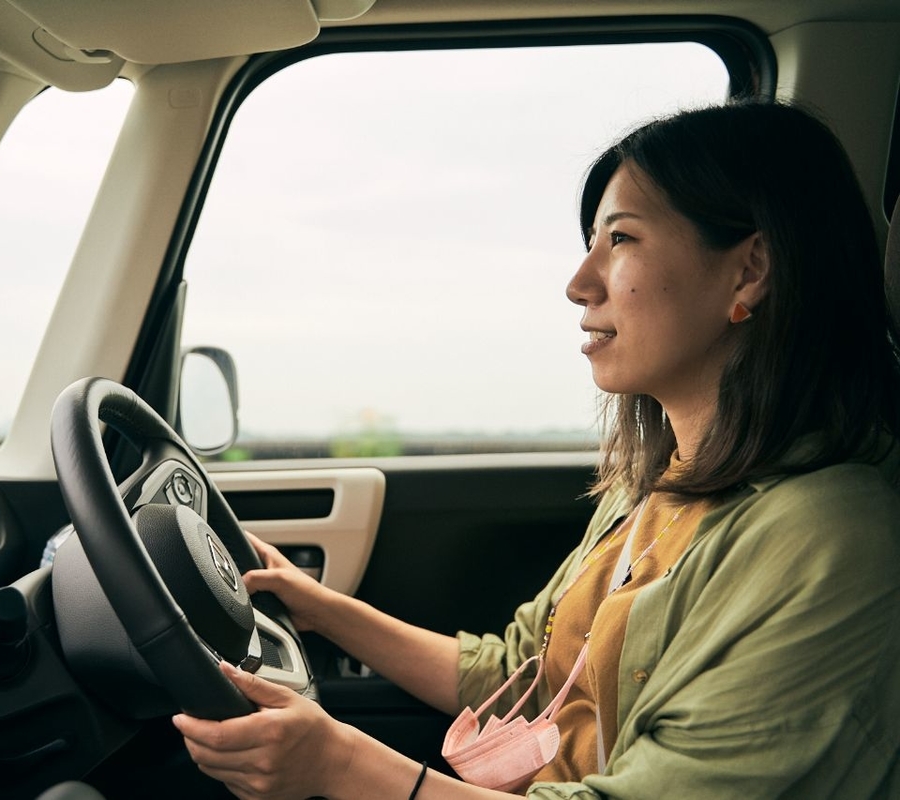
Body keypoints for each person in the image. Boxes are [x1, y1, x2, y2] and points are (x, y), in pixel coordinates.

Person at [172, 101, 900, 799]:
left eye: (620, 240)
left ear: (748, 272)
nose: (579, 284)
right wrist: (322, 608)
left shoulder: (831, 540)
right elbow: (520, 674)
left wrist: (339, 763)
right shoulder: (655, 488)